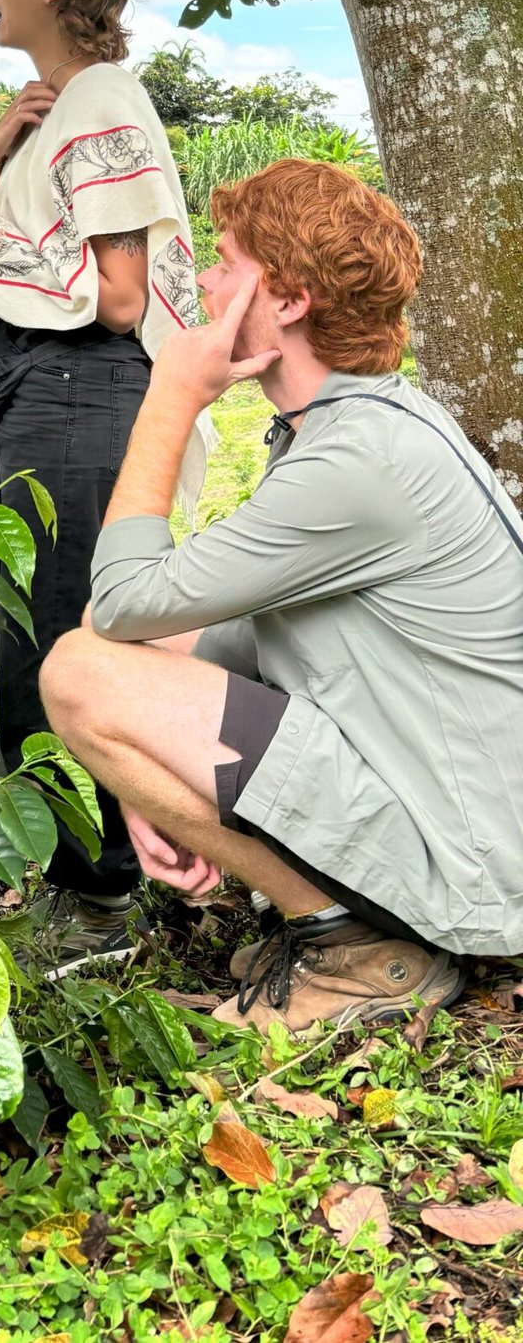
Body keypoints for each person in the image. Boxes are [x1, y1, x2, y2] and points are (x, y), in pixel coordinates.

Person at [40, 160, 523, 1029]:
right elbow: (192, 638)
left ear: (289, 300)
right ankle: (344, 921)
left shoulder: (356, 461)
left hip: (480, 864)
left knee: (80, 669)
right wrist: (140, 781)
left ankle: (356, 949)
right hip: (459, 814)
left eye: (224, 262)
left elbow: (117, 601)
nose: (205, 281)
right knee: (111, 664)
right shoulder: (350, 428)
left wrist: (172, 394)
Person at [0, 0, 201, 971]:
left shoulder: (100, 100)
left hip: (79, 388)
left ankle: (100, 900)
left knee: (58, 640)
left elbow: (121, 298)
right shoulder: (71, 109)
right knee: (35, 630)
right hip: (51, 391)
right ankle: (109, 876)